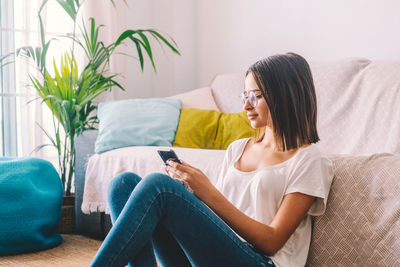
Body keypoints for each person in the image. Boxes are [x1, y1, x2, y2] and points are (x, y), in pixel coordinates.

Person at [90, 52, 334, 267]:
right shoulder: (238, 149)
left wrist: (207, 192)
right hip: (214, 256)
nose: (246, 106)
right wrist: (192, 195)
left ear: (286, 96)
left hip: (260, 262)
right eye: (244, 96)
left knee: (159, 187)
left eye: (256, 96)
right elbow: (216, 224)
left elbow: (271, 242)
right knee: (122, 185)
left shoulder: (310, 159)